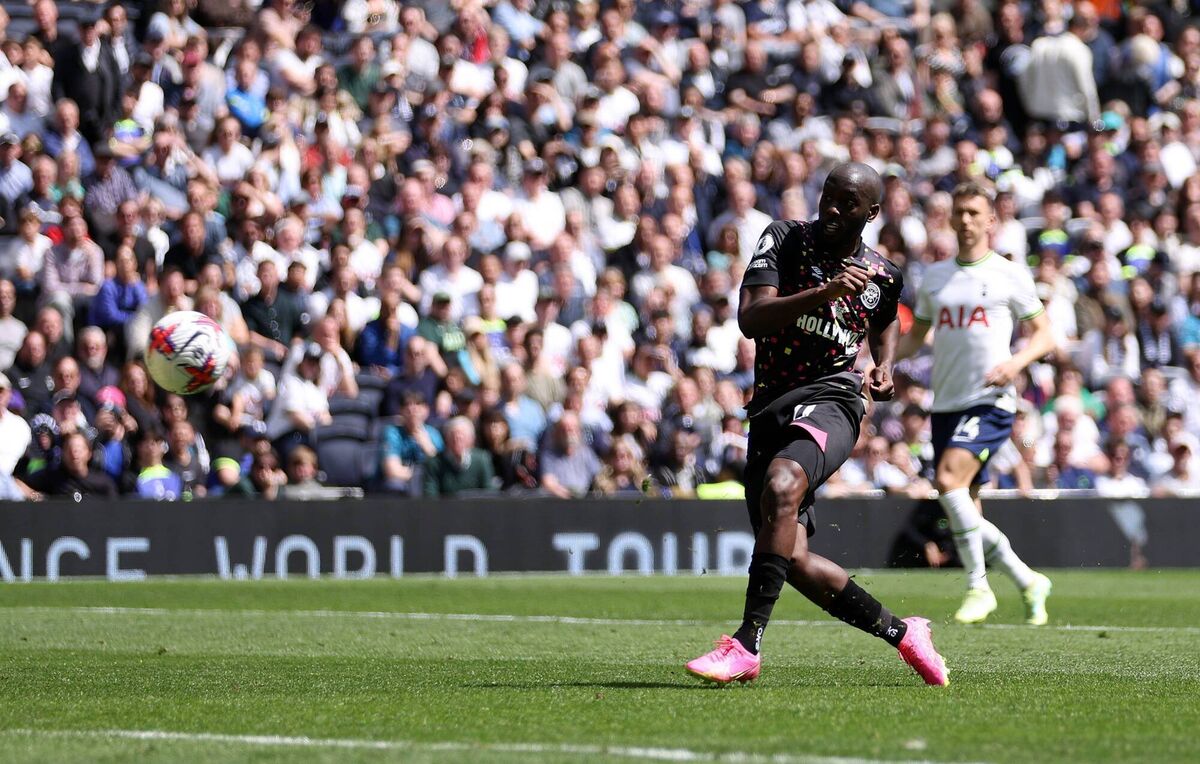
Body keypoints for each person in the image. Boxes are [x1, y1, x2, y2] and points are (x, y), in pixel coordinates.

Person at [685, 163, 947, 687]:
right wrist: (824, 294)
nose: (831, 208)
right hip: (770, 407)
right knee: (794, 557)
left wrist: (885, 364)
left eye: (847, 203)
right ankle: (904, 632)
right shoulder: (783, 239)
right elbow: (751, 319)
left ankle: (745, 644)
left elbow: (886, 315)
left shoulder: (881, 273)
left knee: (785, 484)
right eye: (828, 196)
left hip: (834, 398)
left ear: (870, 214)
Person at [896, 182, 1057, 626]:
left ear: (990, 221)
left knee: (947, 482)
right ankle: (1027, 581)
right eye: (959, 212)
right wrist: (884, 360)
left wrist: (1015, 363)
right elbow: (916, 336)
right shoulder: (935, 277)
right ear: (951, 219)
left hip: (990, 401)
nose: (965, 220)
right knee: (963, 505)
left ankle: (977, 587)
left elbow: (1045, 335)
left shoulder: (1008, 273)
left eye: (974, 212)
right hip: (945, 403)